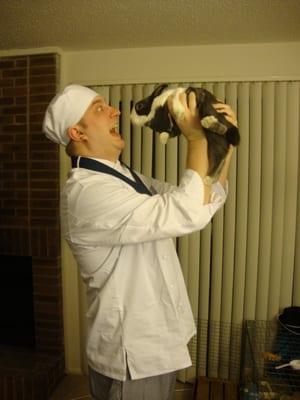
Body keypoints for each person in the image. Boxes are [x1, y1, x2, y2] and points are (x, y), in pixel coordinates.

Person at [43, 84, 236, 400]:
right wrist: (195, 138)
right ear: (77, 132)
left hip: (156, 344)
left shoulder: (123, 176)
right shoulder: (88, 193)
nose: (115, 111)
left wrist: (224, 140)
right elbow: (187, 211)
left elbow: (200, 199)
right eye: (99, 108)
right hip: (132, 355)